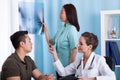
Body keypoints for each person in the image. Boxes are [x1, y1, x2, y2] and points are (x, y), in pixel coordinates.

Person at [49, 32, 116, 80]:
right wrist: (55, 54)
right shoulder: (79, 60)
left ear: (89, 47)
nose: (78, 45)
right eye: (78, 43)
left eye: (81, 44)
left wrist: (90, 79)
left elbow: (112, 77)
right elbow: (63, 72)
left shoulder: (99, 60)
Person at [42, 4, 80, 79]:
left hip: (67, 68)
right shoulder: (61, 28)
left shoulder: (72, 29)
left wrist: (70, 68)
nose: (59, 14)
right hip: (58, 65)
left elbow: (74, 50)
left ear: (68, 14)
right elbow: (50, 42)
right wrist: (46, 29)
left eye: (62, 12)